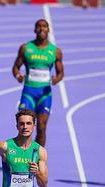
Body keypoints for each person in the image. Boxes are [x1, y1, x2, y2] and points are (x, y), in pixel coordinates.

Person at [11, 19, 63, 147]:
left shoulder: (55, 51)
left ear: (48, 29)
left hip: (45, 94)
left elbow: (61, 72)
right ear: (35, 30)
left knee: (41, 126)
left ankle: (38, 157)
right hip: (29, 92)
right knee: (24, 126)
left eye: (44, 26)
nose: (41, 29)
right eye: (38, 26)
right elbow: (15, 67)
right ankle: (23, 153)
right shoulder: (26, 48)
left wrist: (57, 79)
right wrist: (18, 75)